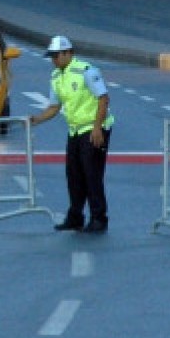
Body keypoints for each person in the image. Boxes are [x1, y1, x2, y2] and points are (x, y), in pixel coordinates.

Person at [29, 36, 114, 233]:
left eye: (56, 56)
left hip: (93, 128)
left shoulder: (86, 71)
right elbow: (54, 106)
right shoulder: (56, 77)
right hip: (75, 130)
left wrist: (97, 128)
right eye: (51, 56)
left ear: (68, 53)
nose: (54, 60)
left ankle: (99, 218)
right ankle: (75, 217)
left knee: (92, 175)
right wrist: (36, 119)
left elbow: (103, 99)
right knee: (73, 174)